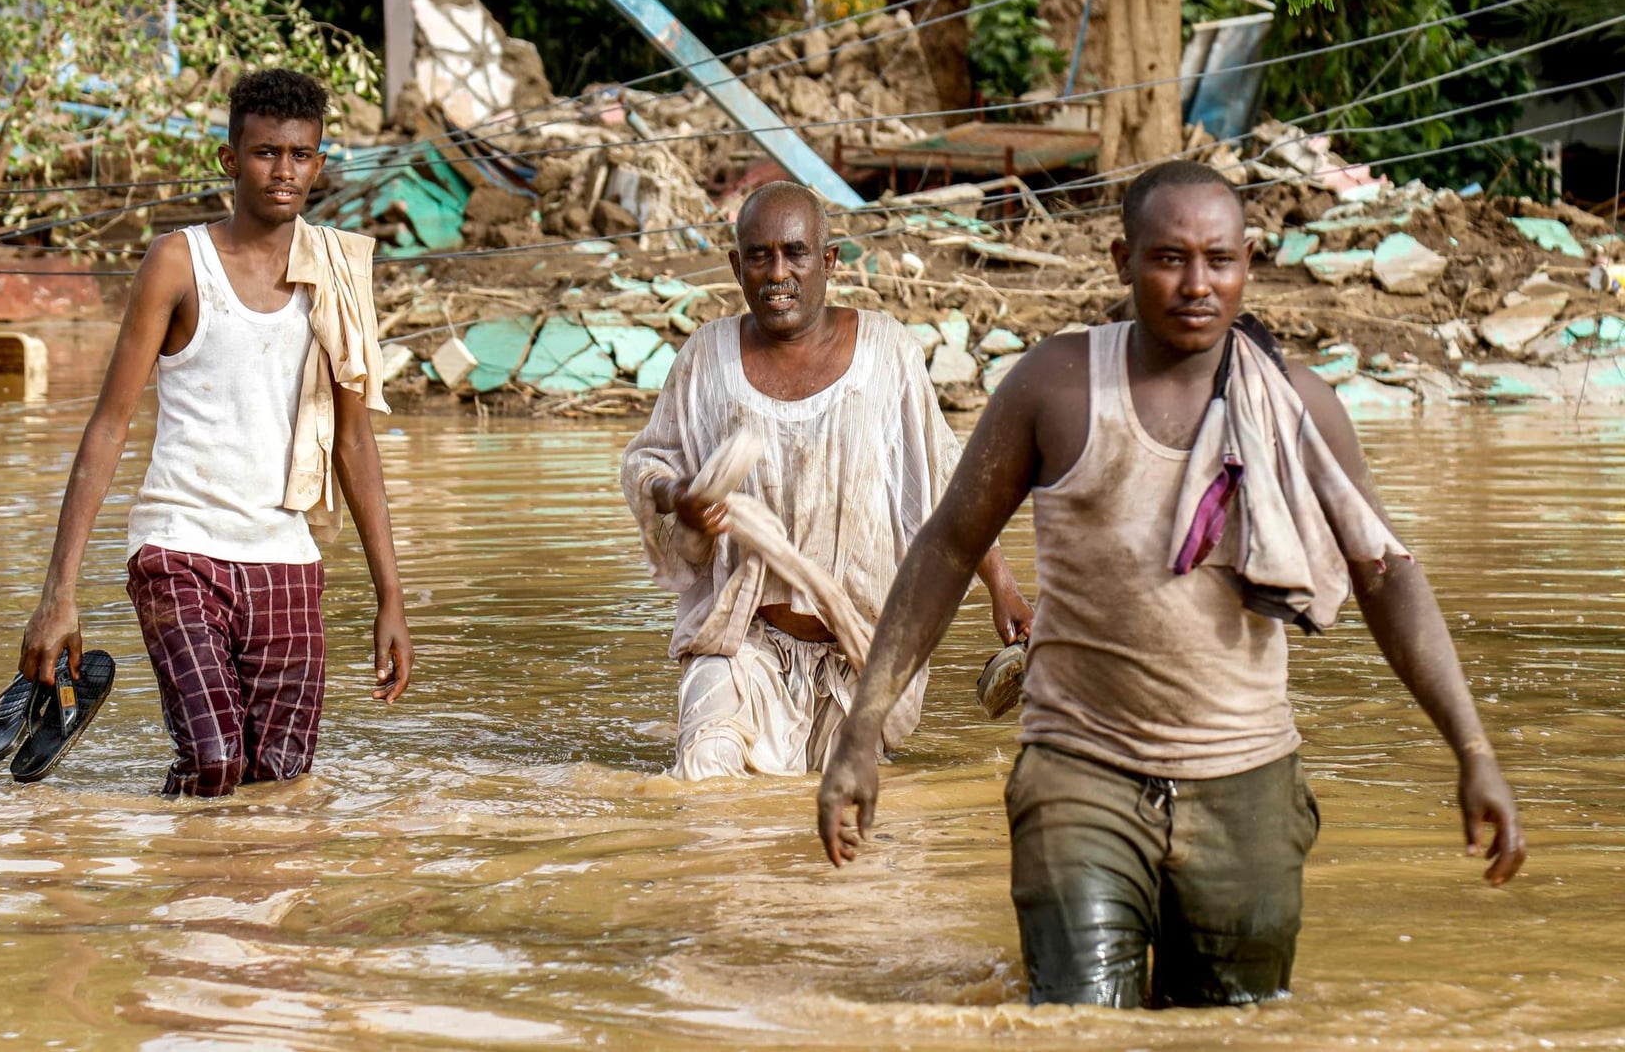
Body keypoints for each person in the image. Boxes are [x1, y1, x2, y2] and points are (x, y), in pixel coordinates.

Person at [817, 159, 1525, 1007]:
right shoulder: (1059, 384)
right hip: (1080, 773)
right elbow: (946, 546)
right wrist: (861, 730)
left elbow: (1388, 578)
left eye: (1218, 260)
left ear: (1248, 262)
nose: (1197, 283)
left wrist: (1474, 751)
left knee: (1236, 1026)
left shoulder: (1297, 406)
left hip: (1248, 782)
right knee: (1078, 1021)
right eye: (1169, 258)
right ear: (1122, 259)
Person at [18, 68, 414, 796]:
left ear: (319, 164)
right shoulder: (178, 262)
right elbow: (109, 424)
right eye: (266, 153)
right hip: (180, 548)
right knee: (215, 760)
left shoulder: (337, 273)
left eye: (300, 154)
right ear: (230, 160)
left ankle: (240, 904)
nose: (283, 170)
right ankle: (184, 899)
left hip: (286, 557)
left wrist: (392, 594)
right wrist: (59, 592)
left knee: (283, 782)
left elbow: (356, 441)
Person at [621, 181, 1034, 780]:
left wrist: (1003, 587)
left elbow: (946, 479)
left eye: (796, 253)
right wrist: (680, 502)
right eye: (759, 256)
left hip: (860, 653)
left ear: (829, 260)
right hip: (744, 642)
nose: (777, 273)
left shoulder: (885, 354)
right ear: (737, 267)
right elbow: (649, 463)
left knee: (845, 806)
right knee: (706, 770)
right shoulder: (706, 358)